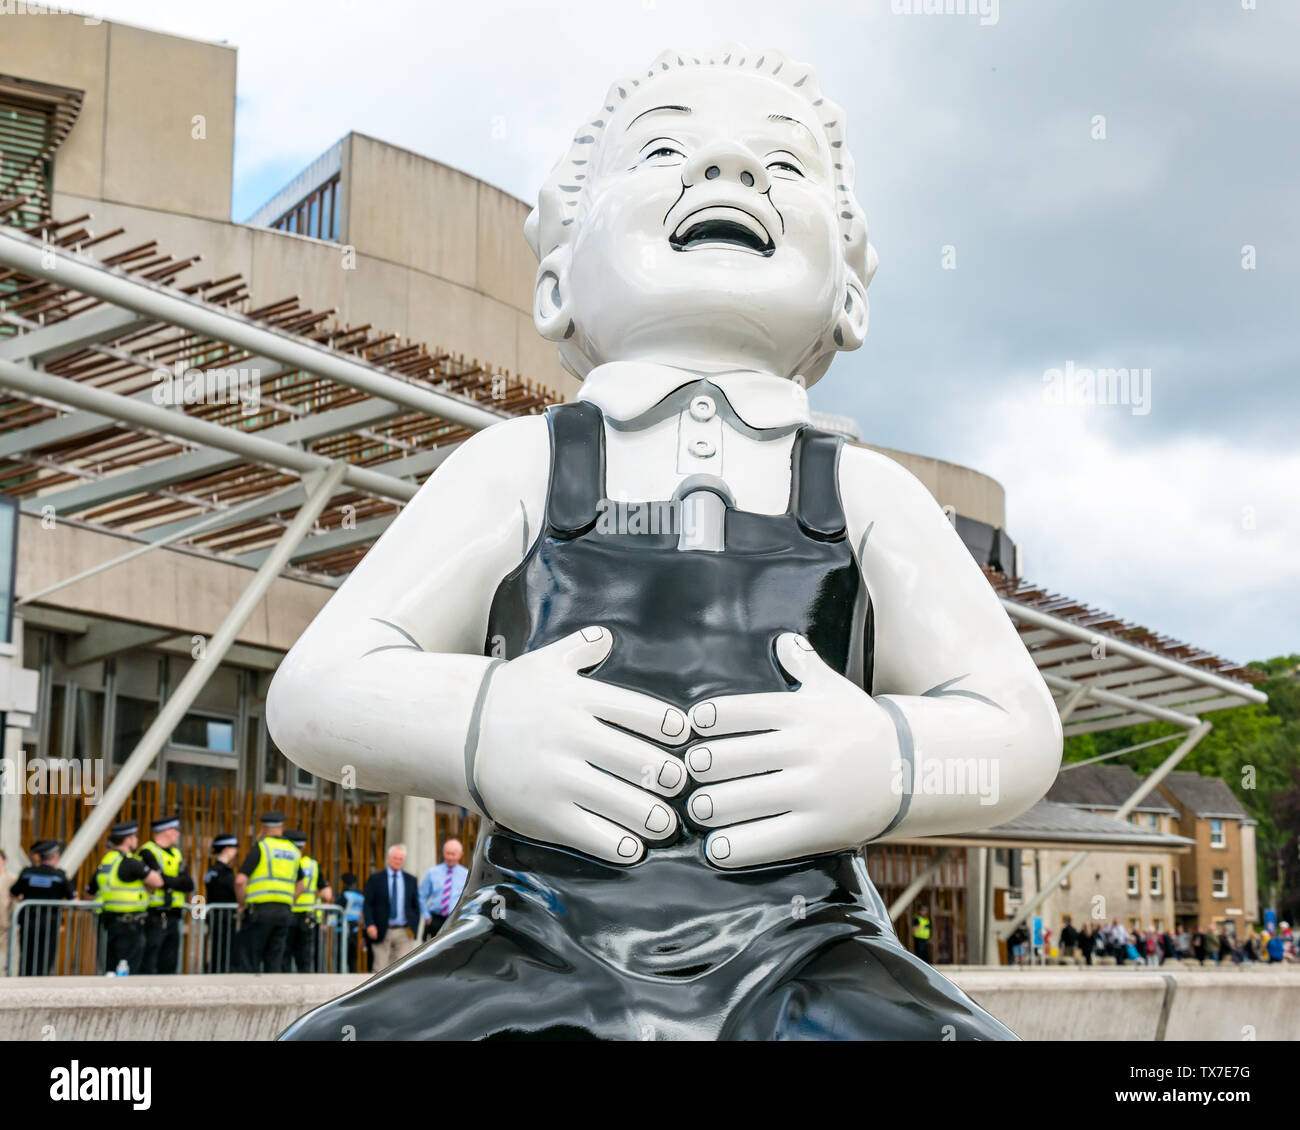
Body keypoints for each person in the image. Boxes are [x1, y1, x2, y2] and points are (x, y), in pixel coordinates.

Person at [274, 46, 1061, 1042]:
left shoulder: (867, 493)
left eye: (782, 166)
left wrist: (887, 756)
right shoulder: (514, 465)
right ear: (556, 276)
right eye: (661, 150)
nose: (727, 170)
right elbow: (317, 689)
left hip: (810, 944)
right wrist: (485, 725)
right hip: (533, 935)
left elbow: (1017, 726)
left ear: (850, 291)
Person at [91, 821, 163, 975]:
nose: (136, 840)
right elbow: (158, 881)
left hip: (108, 922)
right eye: (135, 836)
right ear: (128, 840)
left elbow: (89, 892)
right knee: (126, 970)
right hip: (129, 924)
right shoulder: (130, 862)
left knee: (110, 969)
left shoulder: (106, 862)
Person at [235, 812, 302, 973]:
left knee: (250, 959)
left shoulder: (261, 847)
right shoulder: (293, 850)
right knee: (274, 960)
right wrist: (289, 900)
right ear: (281, 828)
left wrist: (242, 904)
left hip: (260, 912)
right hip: (284, 911)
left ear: (264, 828)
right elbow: (302, 885)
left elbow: (240, 880)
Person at [9, 839, 76, 976]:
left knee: (27, 956)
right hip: (50, 923)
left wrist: (24, 898)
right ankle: (40, 984)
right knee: (46, 957)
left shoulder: (27, 873)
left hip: (28, 922)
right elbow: (73, 899)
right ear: (55, 856)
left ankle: (24, 985)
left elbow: (13, 892)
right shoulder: (59, 875)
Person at [138, 813, 194, 975]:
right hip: (154, 914)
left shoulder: (177, 853)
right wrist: (175, 881)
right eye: (175, 830)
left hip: (173, 914)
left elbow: (189, 883)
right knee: (150, 960)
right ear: (166, 831)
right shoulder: (147, 851)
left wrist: (168, 881)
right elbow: (159, 880)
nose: (178, 833)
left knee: (169, 962)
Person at [363, 844, 420, 972]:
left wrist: (414, 925)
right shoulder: (375, 879)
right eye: (395, 858)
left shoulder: (411, 880)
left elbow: (415, 905)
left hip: (403, 931)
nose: (398, 861)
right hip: (381, 929)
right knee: (380, 969)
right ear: (388, 858)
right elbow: (367, 904)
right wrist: (370, 924)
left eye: (401, 859)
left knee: (402, 969)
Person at [282, 829, 332, 973]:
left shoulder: (286, 863)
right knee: (305, 959)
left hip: (287, 914)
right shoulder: (312, 865)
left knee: (283, 958)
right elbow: (327, 895)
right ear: (303, 846)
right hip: (308, 918)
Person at [202, 833, 239, 973]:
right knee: (223, 951)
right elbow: (231, 890)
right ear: (226, 849)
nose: (235, 851)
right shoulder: (221, 871)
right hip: (223, 918)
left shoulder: (214, 871)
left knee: (222, 950)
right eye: (234, 847)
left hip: (220, 916)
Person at [419, 838, 468, 941]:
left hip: (454, 920)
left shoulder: (466, 875)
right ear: (443, 853)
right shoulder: (432, 872)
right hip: (434, 920)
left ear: (460, 855)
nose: (450, 857)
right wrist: (427, 917)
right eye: (447, 853)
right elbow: (421, 896)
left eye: (453, 854)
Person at [336, 872, 365, 973]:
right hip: (355, 929)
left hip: (342, 929)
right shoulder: (361, 897)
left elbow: (336, 911)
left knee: (341, 956)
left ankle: (340, 976)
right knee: (353, 957)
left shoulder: (345, 895)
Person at [0, 847, 14, 975]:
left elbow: (14, 901)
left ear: (4, 860)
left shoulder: (11, 878)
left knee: (4, 951)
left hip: (4, 920)